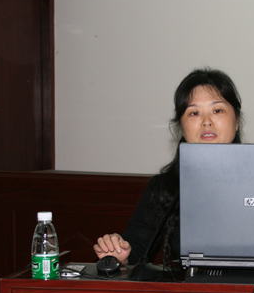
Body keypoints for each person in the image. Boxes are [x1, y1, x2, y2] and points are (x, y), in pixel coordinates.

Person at [93, 67, 244, 266]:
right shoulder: (166, 187)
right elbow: (137, 247)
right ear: (182, 127)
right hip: (191, 285)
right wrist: (120, 252)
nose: (206, 122)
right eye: (194, 113)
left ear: (237, 121)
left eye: (217, 110)